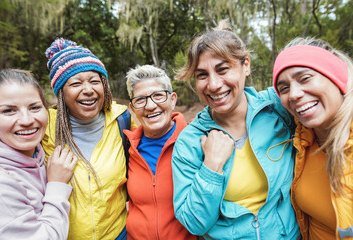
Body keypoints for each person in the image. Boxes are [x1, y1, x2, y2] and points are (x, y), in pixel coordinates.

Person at [172, 20, 300, 239]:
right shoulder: (190, 141)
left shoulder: (278, 106)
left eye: (223, 70)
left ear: (246, 66)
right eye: (202, 75)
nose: (213, 85)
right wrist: (211, 167)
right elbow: (194, 223)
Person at [42, 38, 136, 240]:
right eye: (75, 83)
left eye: (95, 81)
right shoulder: (42, 129)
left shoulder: (123, 120)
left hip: (117, 234)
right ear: (61, 94)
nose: (88, 90)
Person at [273, 37, 353, 239]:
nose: (294, 94)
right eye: (283, 88)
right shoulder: (301, 141)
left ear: (337, 77)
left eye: (305, 78)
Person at [0, 69, 77, 239]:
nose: (26, 120)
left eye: (35, 107)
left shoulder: (39, 154)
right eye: (9, 110)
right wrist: (57, 185)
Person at [123, 65, 196, 240]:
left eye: (158, 96)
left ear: (172, 99)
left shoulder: (195, 139)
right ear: (132, 109)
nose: (150, 106)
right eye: (140, 100)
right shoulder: (127, 147)